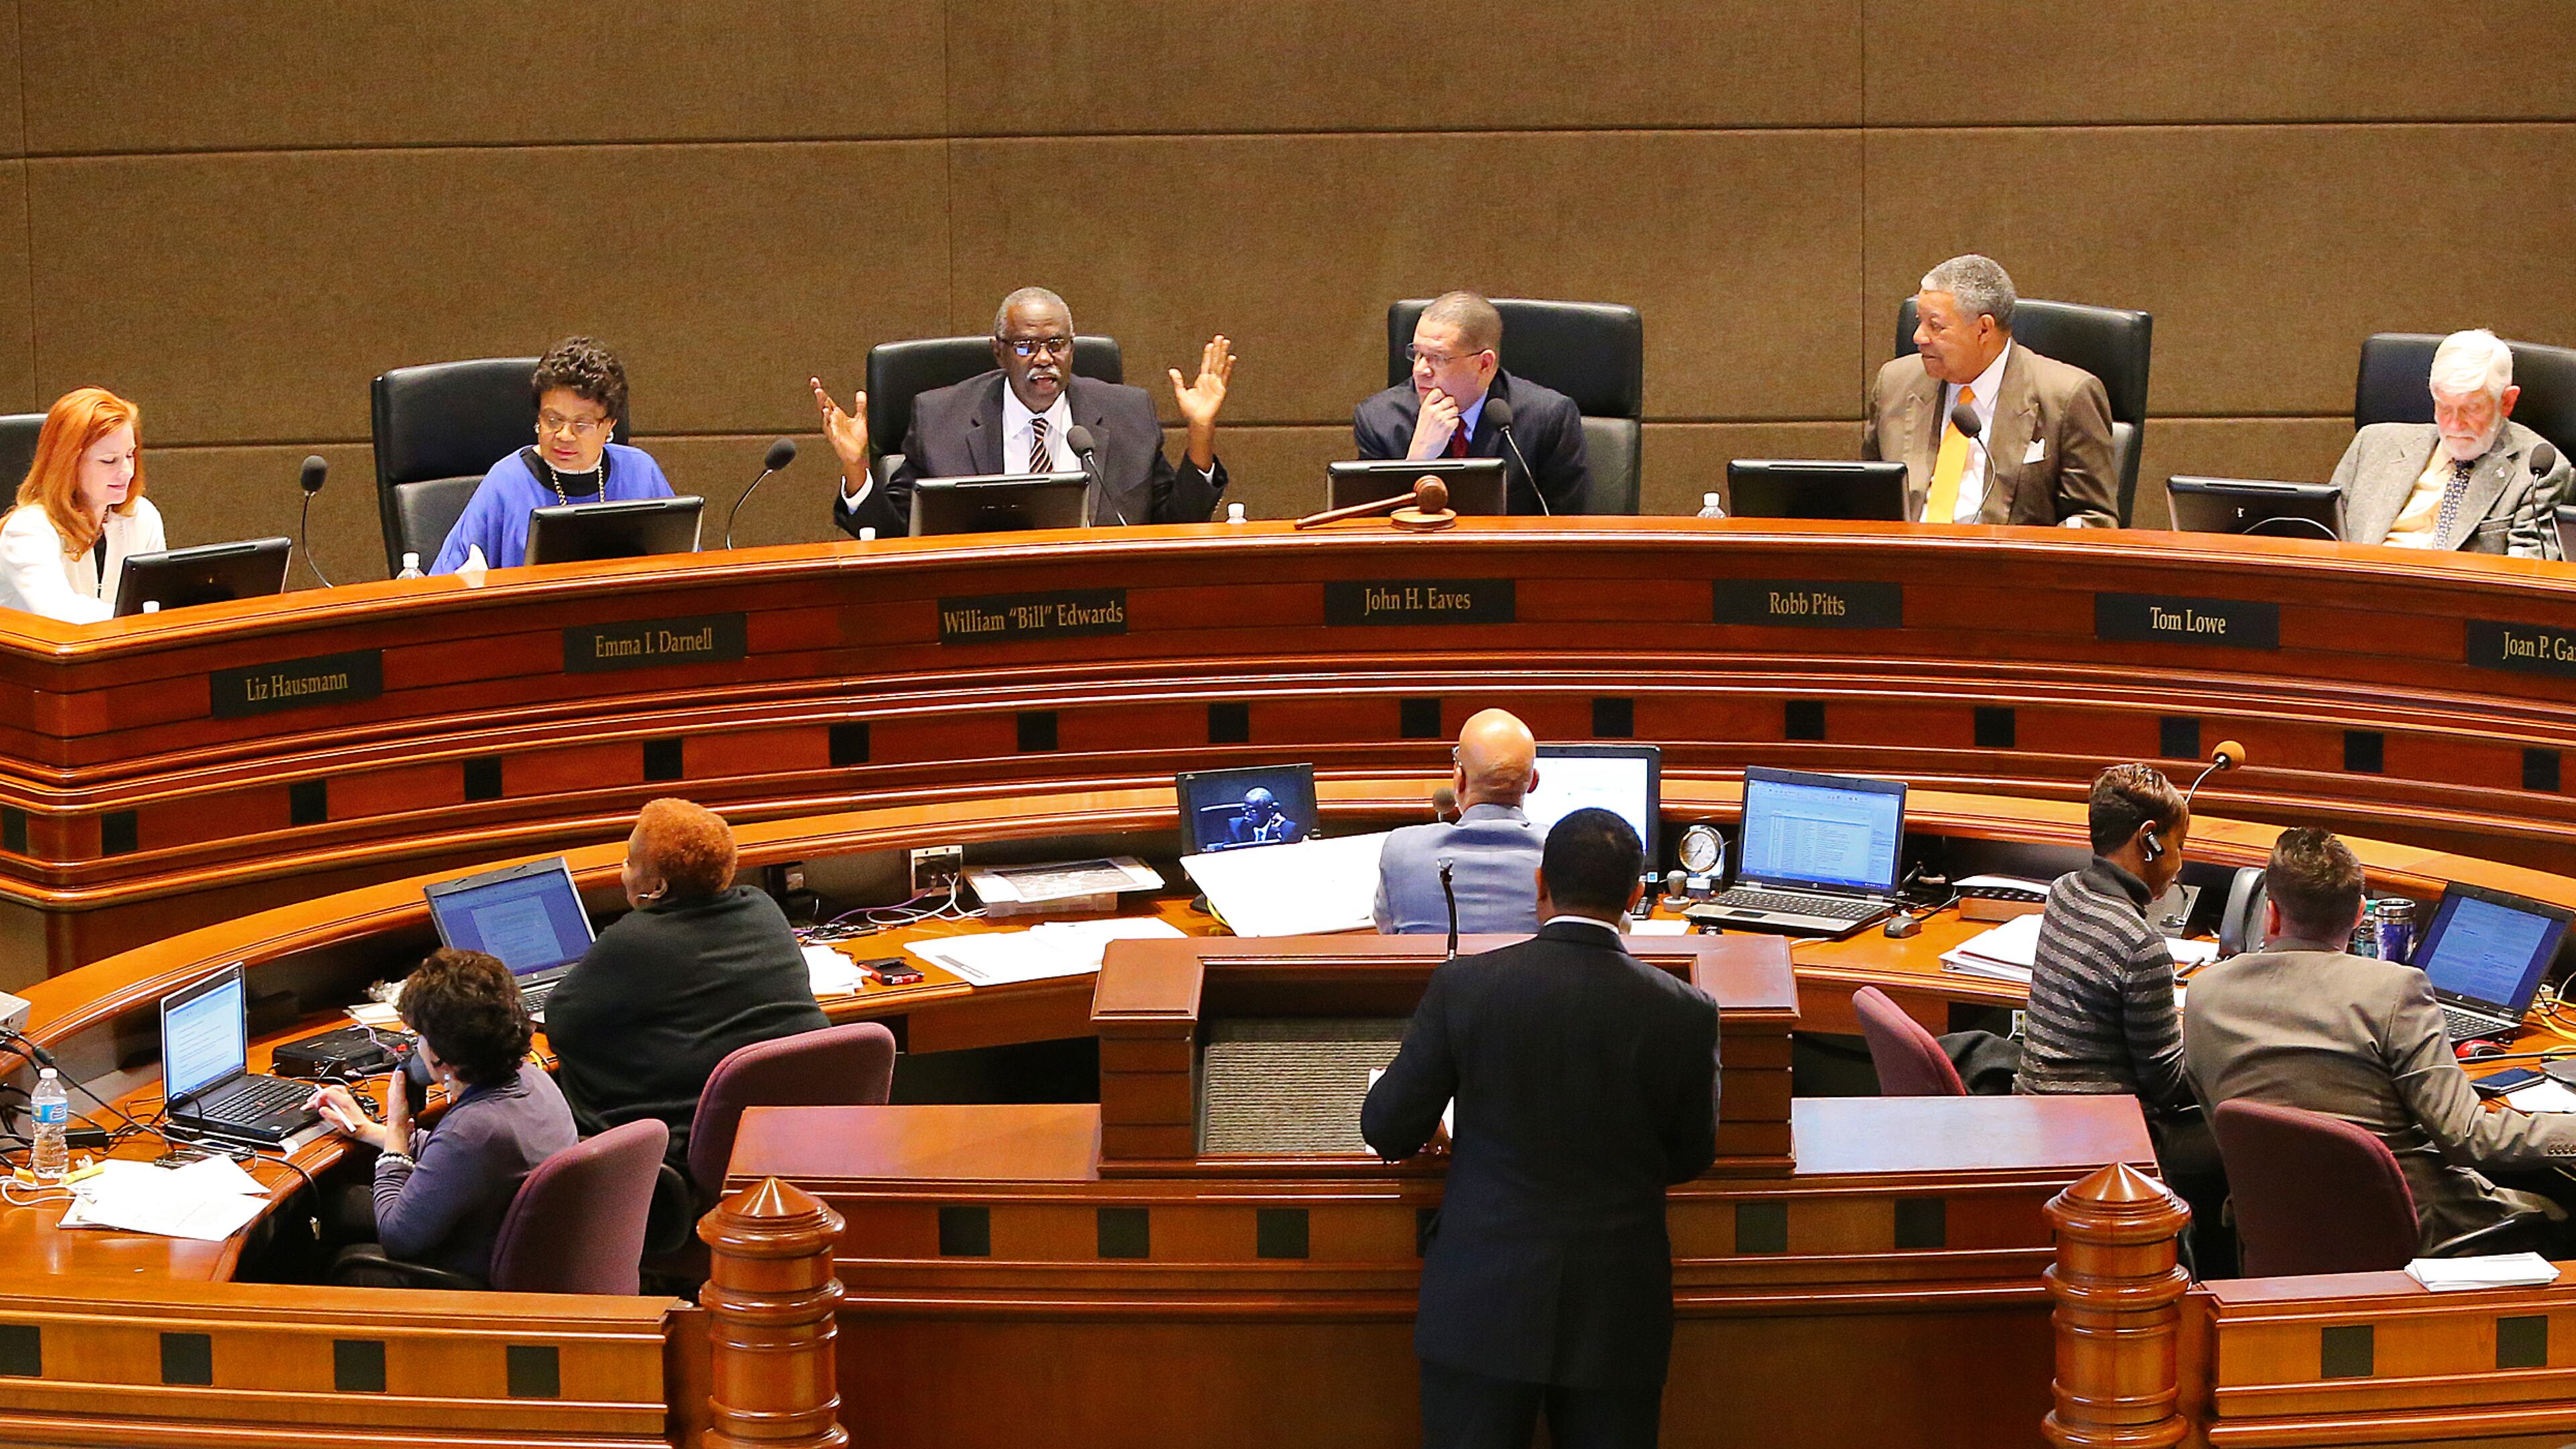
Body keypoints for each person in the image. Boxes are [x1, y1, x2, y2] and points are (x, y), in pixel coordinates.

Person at [1363, 809, 1718, 1449]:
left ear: (1539, 885)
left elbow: (1387, 1127)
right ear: (1636, 896)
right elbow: (1692, 1153)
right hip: (1616, 1314)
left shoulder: (1467, 986)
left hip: (1482, 1307)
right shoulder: (1687, 1012)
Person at [2184, 827, 2576, 1252]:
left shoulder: (2206, 993)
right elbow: (2471, 1139)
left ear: (2271, 914)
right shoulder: (2395, 990)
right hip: (2414, 1227)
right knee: (2555, 1209)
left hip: (2278, 1229)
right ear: (2359, 914)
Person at [542, 798, 829, 1168]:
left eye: (630, 862)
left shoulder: (635, 939)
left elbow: (562, 1021)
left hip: (699, 1148)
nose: (623, 871)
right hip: (789, 1136)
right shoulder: (763, 908)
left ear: (658, 887)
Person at [813, 288, 1234, 537]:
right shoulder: (942, 419)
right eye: (1025, 346)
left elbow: (1177, 526)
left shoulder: (1127, 414)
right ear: (999, 351)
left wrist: (1201, 433)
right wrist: (856, 469)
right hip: (977, 612)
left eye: (1057, 344)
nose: (1044, 359)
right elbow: (894, 536)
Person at [2018, 765, 2222, 1230]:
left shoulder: (2064, 892)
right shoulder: (2140, 944)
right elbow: (2168, 1086)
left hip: (2041, 1114)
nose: (2181, 862)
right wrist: (2222, 1044)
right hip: (2110, 1140)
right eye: (2178, 845)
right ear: (2149, 840)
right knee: (2248, 1140)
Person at [310, 949, 576, 1285]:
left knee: (345, 1258)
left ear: (438, 1058)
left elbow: (398, 1238)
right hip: (519, 1246)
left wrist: (395, 1132)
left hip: (474, 1277)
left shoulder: (476, 1129)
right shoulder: (532, 1078)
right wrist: (367, 1130)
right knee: (338, 1205)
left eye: (419, 1037)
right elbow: (454, 1158)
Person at [1862, 254, 2117, 529]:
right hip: (1904, 563)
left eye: (1935, 326)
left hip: (2007, 564)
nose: (1919, 337)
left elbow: (2094, 520)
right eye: (1919, 321)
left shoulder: (2067, 396)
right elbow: (1868, 500)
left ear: (1984, 329)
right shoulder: (1895, 383)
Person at [431, 337, 675, 572]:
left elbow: (683, 568)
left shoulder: (640, 472)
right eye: (553, 420)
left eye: (582, 425)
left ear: (610, 425)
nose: (564, 435)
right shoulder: (506, 482)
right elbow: (443, 583)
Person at [2331, 328, 2571, 557]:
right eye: (2444, 407)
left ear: (2507, 402)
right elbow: (2323, 537)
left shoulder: (2538, 470)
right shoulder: (2373, 443)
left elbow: (2528, 571)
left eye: (2472, 409)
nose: (2454, 425)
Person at [1354, 291, 1589, 515]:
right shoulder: (1379, 420)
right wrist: (1417, 461)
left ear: (1484, 364)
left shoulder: (1548, 418)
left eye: (1438, 358)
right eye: (1417, 354)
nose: (1420, 370)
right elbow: (1372, 533)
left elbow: (1565, 527)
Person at [0, 387, 166, 623]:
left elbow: (157, 603)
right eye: (109, 461)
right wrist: (142, 618)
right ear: (68, 463)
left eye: (130, 455)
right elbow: (62, 614)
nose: (127, 472)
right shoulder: (27, 530)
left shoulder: (143, 517)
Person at [1375, 708, 1545, 935]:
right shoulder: (1565, 854)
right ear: (1533, 782)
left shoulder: (1402, 849)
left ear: (1459, 779)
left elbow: (1386, 932)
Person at [1226, 788, 1303, 846]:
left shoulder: (1288, 830)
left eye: (1253, 811)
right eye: (1245, 809)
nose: (1247, 815)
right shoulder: (1235, 827)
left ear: (1268, 810)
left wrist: (1276, 834)